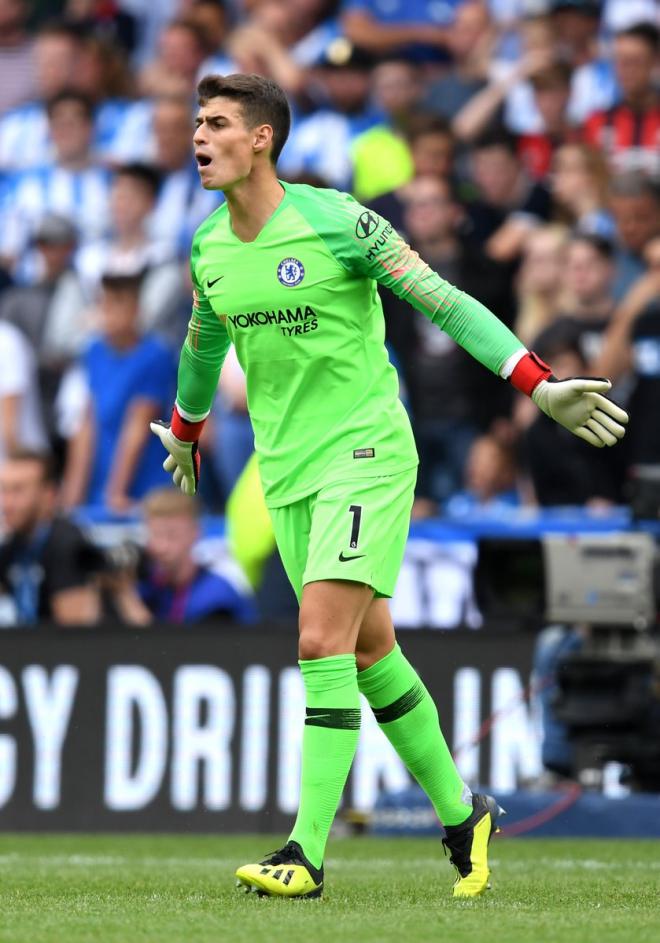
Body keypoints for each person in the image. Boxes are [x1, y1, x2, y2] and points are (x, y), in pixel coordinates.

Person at [150, 73, 628, 901]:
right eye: (197, 122)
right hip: (289, 470)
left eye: (217, 122)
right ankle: (462, 811)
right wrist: (188, 432)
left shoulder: (338, 221)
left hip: (368, 452)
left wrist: (536, 383)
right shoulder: (208, 247)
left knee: (319, 643)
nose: (198, 137)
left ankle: (305, 851)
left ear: (261, 137)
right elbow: (200, 349)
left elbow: (445, 302)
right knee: (370, 652)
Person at [61, 270, 175, 512]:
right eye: (105, 305)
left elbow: (138, 426)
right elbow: (87, 423)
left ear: (136, 310)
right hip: (99, 483)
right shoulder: (93, 351)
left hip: (144, 489)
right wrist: (72, 495)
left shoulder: (156, 354)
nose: (108, 314)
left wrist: (115, 494)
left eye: (117, 305)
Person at [0, 449, 102, 625]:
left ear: (49, 494)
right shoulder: (12, 544)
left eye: (18, 490)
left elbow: (76, 636)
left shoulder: (67, 544)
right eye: (3, 490)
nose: (6, 503)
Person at [138, 486, 256, 624]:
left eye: (172, 535)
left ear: (195, 533)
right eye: (155, 535)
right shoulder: (148, 586)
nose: (162, 547)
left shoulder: (216, 593)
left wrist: (129, 603)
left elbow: (187, 645)